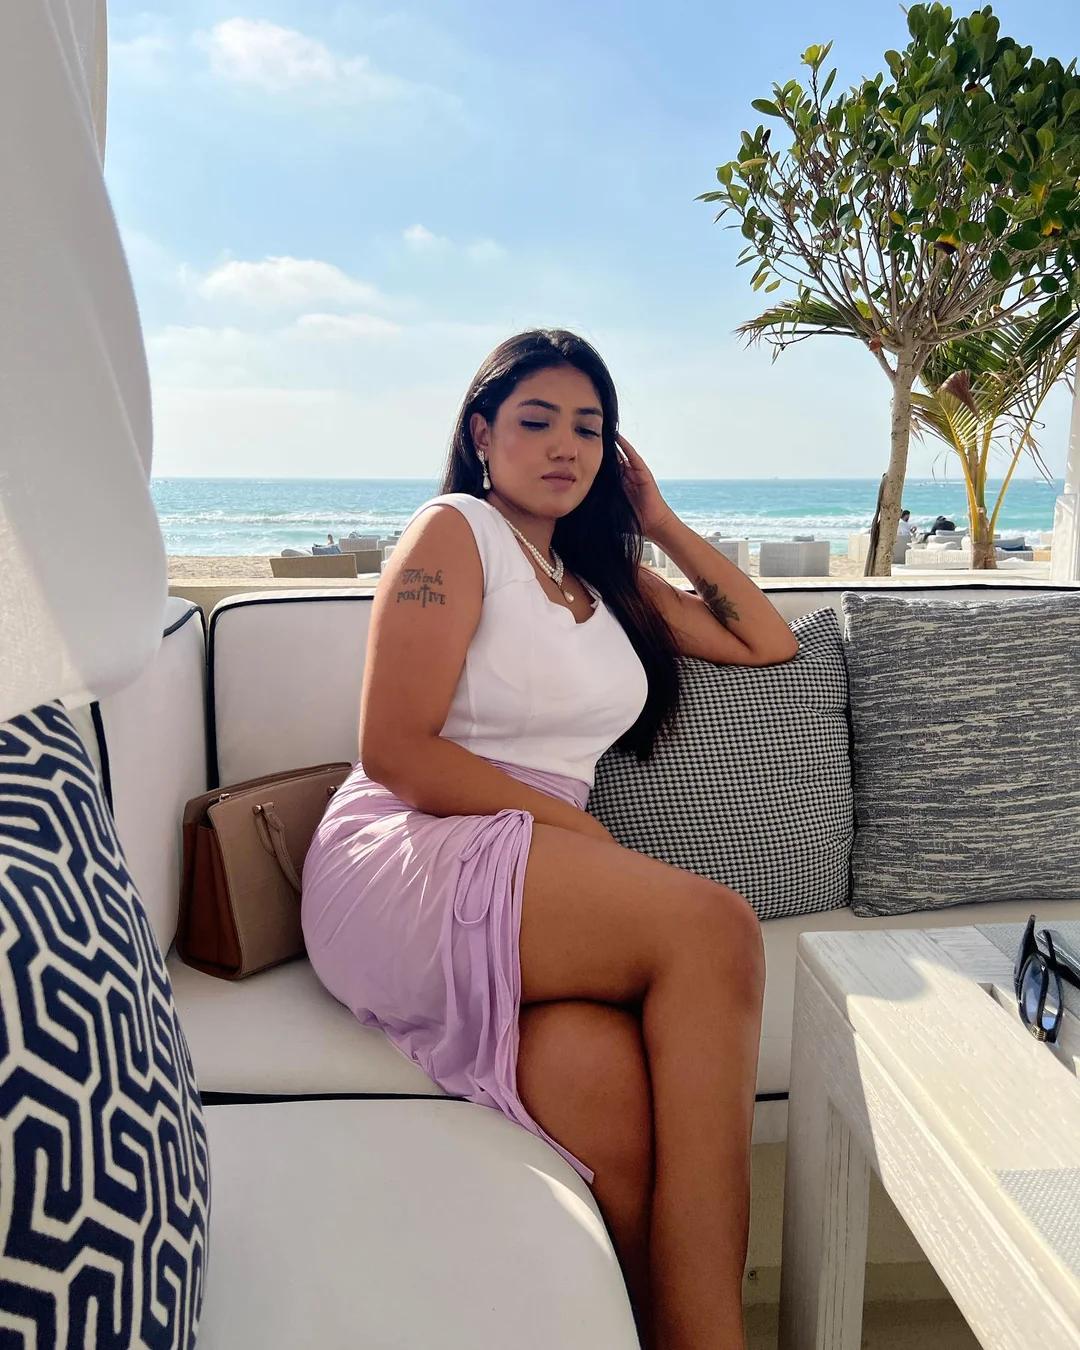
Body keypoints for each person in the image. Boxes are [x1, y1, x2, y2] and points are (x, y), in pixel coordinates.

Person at [301, 329, 800, 1349]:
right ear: (482, 433)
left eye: (590, 428)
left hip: (534, 866)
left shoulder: (606, 579)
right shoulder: (456, 531)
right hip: (415, 842)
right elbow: (394, 747)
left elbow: (767, 640)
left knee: (605, 1095)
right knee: (714, 929)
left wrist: (660, 523)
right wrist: (578, 830)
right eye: (537, 421)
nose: (566, 445)